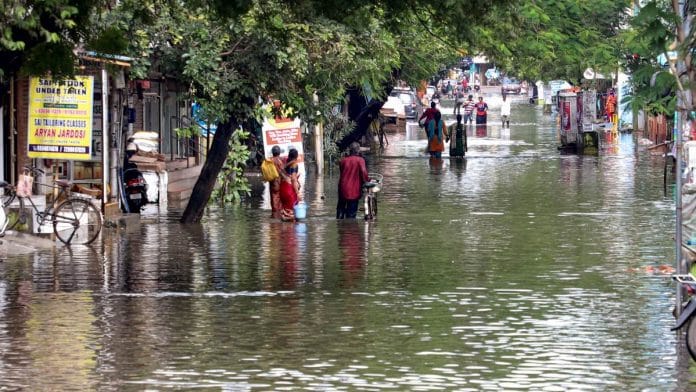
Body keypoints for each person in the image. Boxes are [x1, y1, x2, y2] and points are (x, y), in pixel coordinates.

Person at [337, 142, 369, 219]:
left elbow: (342, 173)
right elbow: (364, 173)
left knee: (340, 211)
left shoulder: (343, 160)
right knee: (351, 215)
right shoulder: (360, 160)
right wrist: (368, 181)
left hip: (342, 189)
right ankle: (350, 228)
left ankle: (340, 227)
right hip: (353, 191)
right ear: (358, 151)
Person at [279, 148, 301, 221]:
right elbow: (294, 179)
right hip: (289, 189)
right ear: (296, 156)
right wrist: (297, 193)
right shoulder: (294, 165)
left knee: (285, 211)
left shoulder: (285, 162)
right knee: (293, 215)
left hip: (282, 188)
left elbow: (280, 170)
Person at [269, 145, 285, 218]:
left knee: (273, 198)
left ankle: (274, 215)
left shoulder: (269, 161)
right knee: (278, 199)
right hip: (278, 183)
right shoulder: (279, 161)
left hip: (271, 182)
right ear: (279, 153)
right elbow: (282, 172)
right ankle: (277, 215)